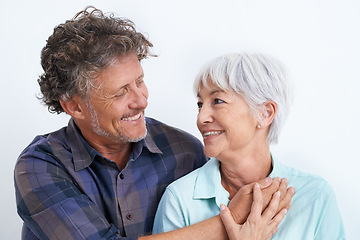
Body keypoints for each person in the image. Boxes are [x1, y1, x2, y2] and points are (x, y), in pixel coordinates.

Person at [14, 7, 294, 240]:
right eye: (121, 92)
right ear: (74, 106)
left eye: (140, 81)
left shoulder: (185, 151)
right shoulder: (39, 166)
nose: (141, 101)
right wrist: (233, 219)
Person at [152, 53, 346, 239]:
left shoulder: (315, 195)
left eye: (217, 101)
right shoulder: (179, 200)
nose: (201, 118)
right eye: (200, 104)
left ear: (265, 113)